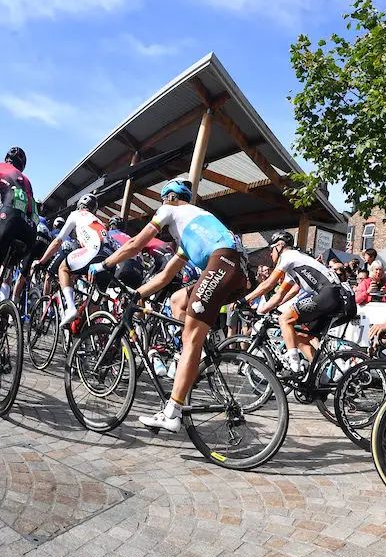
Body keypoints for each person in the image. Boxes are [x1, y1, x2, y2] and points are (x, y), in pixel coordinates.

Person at [93, 179, 249, 432]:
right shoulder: (191, 230)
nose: (162, 206)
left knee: (191, 339)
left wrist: (104, 264)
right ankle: (186, 355)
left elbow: (135, 245)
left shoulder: (171, 209)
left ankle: (172, 412)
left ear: (170, 197)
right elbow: (166, 276)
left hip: (223, 263)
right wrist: (138, 293)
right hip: (238, 273)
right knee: (177, 299)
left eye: (164, 200)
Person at [242, 231, 355, 376]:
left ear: (280, 246)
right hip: (336, 297)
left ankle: (294, 365)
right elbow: (281, 294)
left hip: (328, 294)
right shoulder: (297, 264)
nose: (270, 254)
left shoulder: (288, 256)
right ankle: (321, 377)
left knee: (285, 319)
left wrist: (245, 300)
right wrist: (262, 311)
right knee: (300, 337)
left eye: (271, 250)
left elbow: (269, 284)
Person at [36, 194, 110, 327]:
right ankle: (86, 338)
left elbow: (58, 242)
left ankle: (70, 308)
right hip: (109, 260)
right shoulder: (99, 221)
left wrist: (42, 261)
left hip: (93, 252)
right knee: (92, 307)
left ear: (79, 205)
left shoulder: (76, 214)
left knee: (63, 268)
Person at [1, 147, 38, 301]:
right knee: (6, 268)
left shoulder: (2, 168)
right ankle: (4, 308)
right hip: (30, 231)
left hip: (10, 220)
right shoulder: (27, 181)